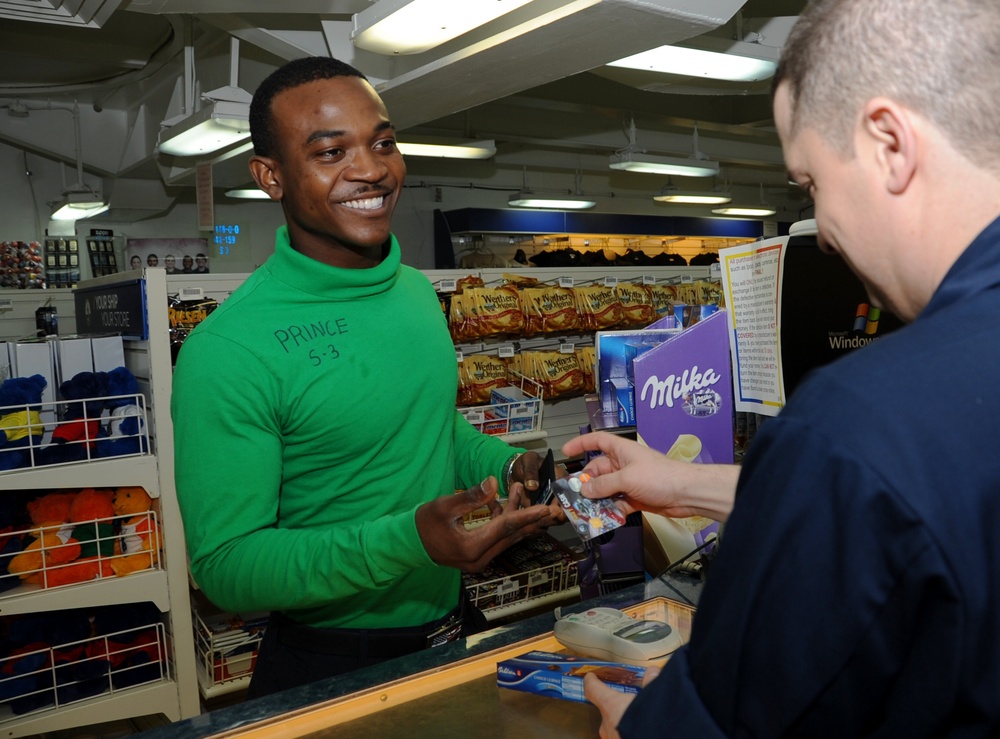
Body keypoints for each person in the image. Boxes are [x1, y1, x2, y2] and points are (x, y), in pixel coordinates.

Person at [566, 0, 1000, 736]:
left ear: (890, 144)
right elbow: (923, 509)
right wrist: (679, 483)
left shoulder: (859, 419)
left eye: (811, 184)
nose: (825, 233)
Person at [171, 56, 560, 700]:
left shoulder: (414, 293)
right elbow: (226, 568)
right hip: (330, 660)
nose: (372, 169)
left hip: (451, 625)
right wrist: (408, 541)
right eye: (331, 152)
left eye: (382, 143)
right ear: (271, 176)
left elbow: (429, 431)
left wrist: (508, 466)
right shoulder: (228, 349)